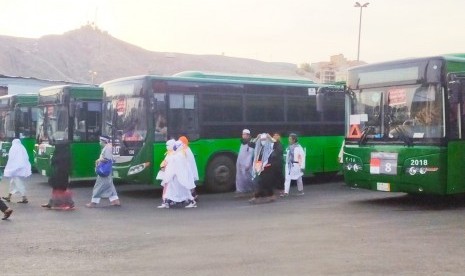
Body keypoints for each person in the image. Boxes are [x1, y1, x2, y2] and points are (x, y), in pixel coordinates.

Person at [158, 140, 197, 208]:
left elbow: (178, 165)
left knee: (184, 189)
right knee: (170, 189)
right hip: (173, 176)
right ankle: (167, 202)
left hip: (179, 176)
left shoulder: (181, 154)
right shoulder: (174, 154)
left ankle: (192, 201)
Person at [86, 135, 121, 207]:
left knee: (98, 186)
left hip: (104, 170)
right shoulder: (108, 147)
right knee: (110, 185)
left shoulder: (108, 148)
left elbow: (107, 159)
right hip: (107, 170)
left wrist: (98, 160)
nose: (99, 142)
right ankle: (116, 201)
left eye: (100, 141)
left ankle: (93, 202)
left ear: (103, 141)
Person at [41, 143, 74, 210]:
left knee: (58, 189)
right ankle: (53, 203)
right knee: (60, 189)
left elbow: (53, 162)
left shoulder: (57, 154)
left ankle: (65, 203)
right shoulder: (67, 153)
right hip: (64, 174)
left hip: (58, 174)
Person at [249, 133, 279, 203]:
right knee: (261, 182)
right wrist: (257, 138)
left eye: (264, 139)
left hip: (268, 167)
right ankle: (265, 196)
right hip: (260, 167)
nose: (263, 141)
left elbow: (276, 144)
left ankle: (260, 196)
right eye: (262, 139)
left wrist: (270, 138)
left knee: (265, 182)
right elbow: (250, 144)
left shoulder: (270, 146)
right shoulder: (259, 146)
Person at [2, 139, 32, 203]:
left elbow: (11, 158)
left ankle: (24, 198)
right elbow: (26, 157)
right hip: (22, 168)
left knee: (18, 183)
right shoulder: (22, 147)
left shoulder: (13, 148)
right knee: (13, 183)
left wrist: (10, 167)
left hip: (15, 169)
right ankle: (9, 196)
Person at [235, 129, 255, 196]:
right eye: (243, 134)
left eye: (245, 134)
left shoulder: (250, 143)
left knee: (248, 177)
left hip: (247, 164)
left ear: (248, 135)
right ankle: (240, 190)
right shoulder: (242, 142)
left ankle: (252, 188)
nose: (243, 136)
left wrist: (247, 164)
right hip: (240, 162)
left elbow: (250, 154)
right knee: (239, 177)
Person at [178, 136, 199, 200]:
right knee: (190, 184)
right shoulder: (187, 149)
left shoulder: (184, 150)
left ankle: (192, 197)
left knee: (188, 184)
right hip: (189, 170)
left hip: (187, 170)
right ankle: (193, 196)